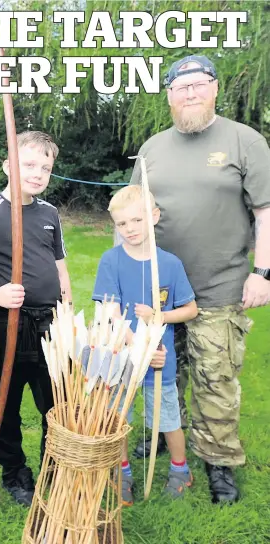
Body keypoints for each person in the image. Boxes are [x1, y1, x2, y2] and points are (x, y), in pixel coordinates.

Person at [130, 55, 270, 503]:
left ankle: (219, 463)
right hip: (160, 292)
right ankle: (163, 440)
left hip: (219, 287)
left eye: (199, 84)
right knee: (161, 375)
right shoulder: (152, 149)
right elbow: (132, 212)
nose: (190, 93)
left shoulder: (245, 140)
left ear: (214, 89)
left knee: (215, 380)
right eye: (181, 87)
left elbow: (266, 212)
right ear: (169, 95)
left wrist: (263, 272)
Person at [0, 131, 72, 507]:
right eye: (28, 164)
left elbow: (60, 267)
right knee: (5, 407)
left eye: (45, 167)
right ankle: (15, 472)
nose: (38, 173)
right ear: (8, 165)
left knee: (57, 403)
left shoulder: (49, 214)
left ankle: (54, 466)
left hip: (48, 325)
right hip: (4, 327)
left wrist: (67, 310)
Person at [93, 185, 198, 504]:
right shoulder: (111, 261)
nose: (130, 229)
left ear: (153, 217)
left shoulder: (169, 264)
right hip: (123, 357)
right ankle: (122, 471)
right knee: (118, 418)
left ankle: (180, 470)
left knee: (167, 418)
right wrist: (138, 345)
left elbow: (191, 309)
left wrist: (159, 317)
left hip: (158, 359)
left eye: (136, 220)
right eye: (122, 224)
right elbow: (110, 311)